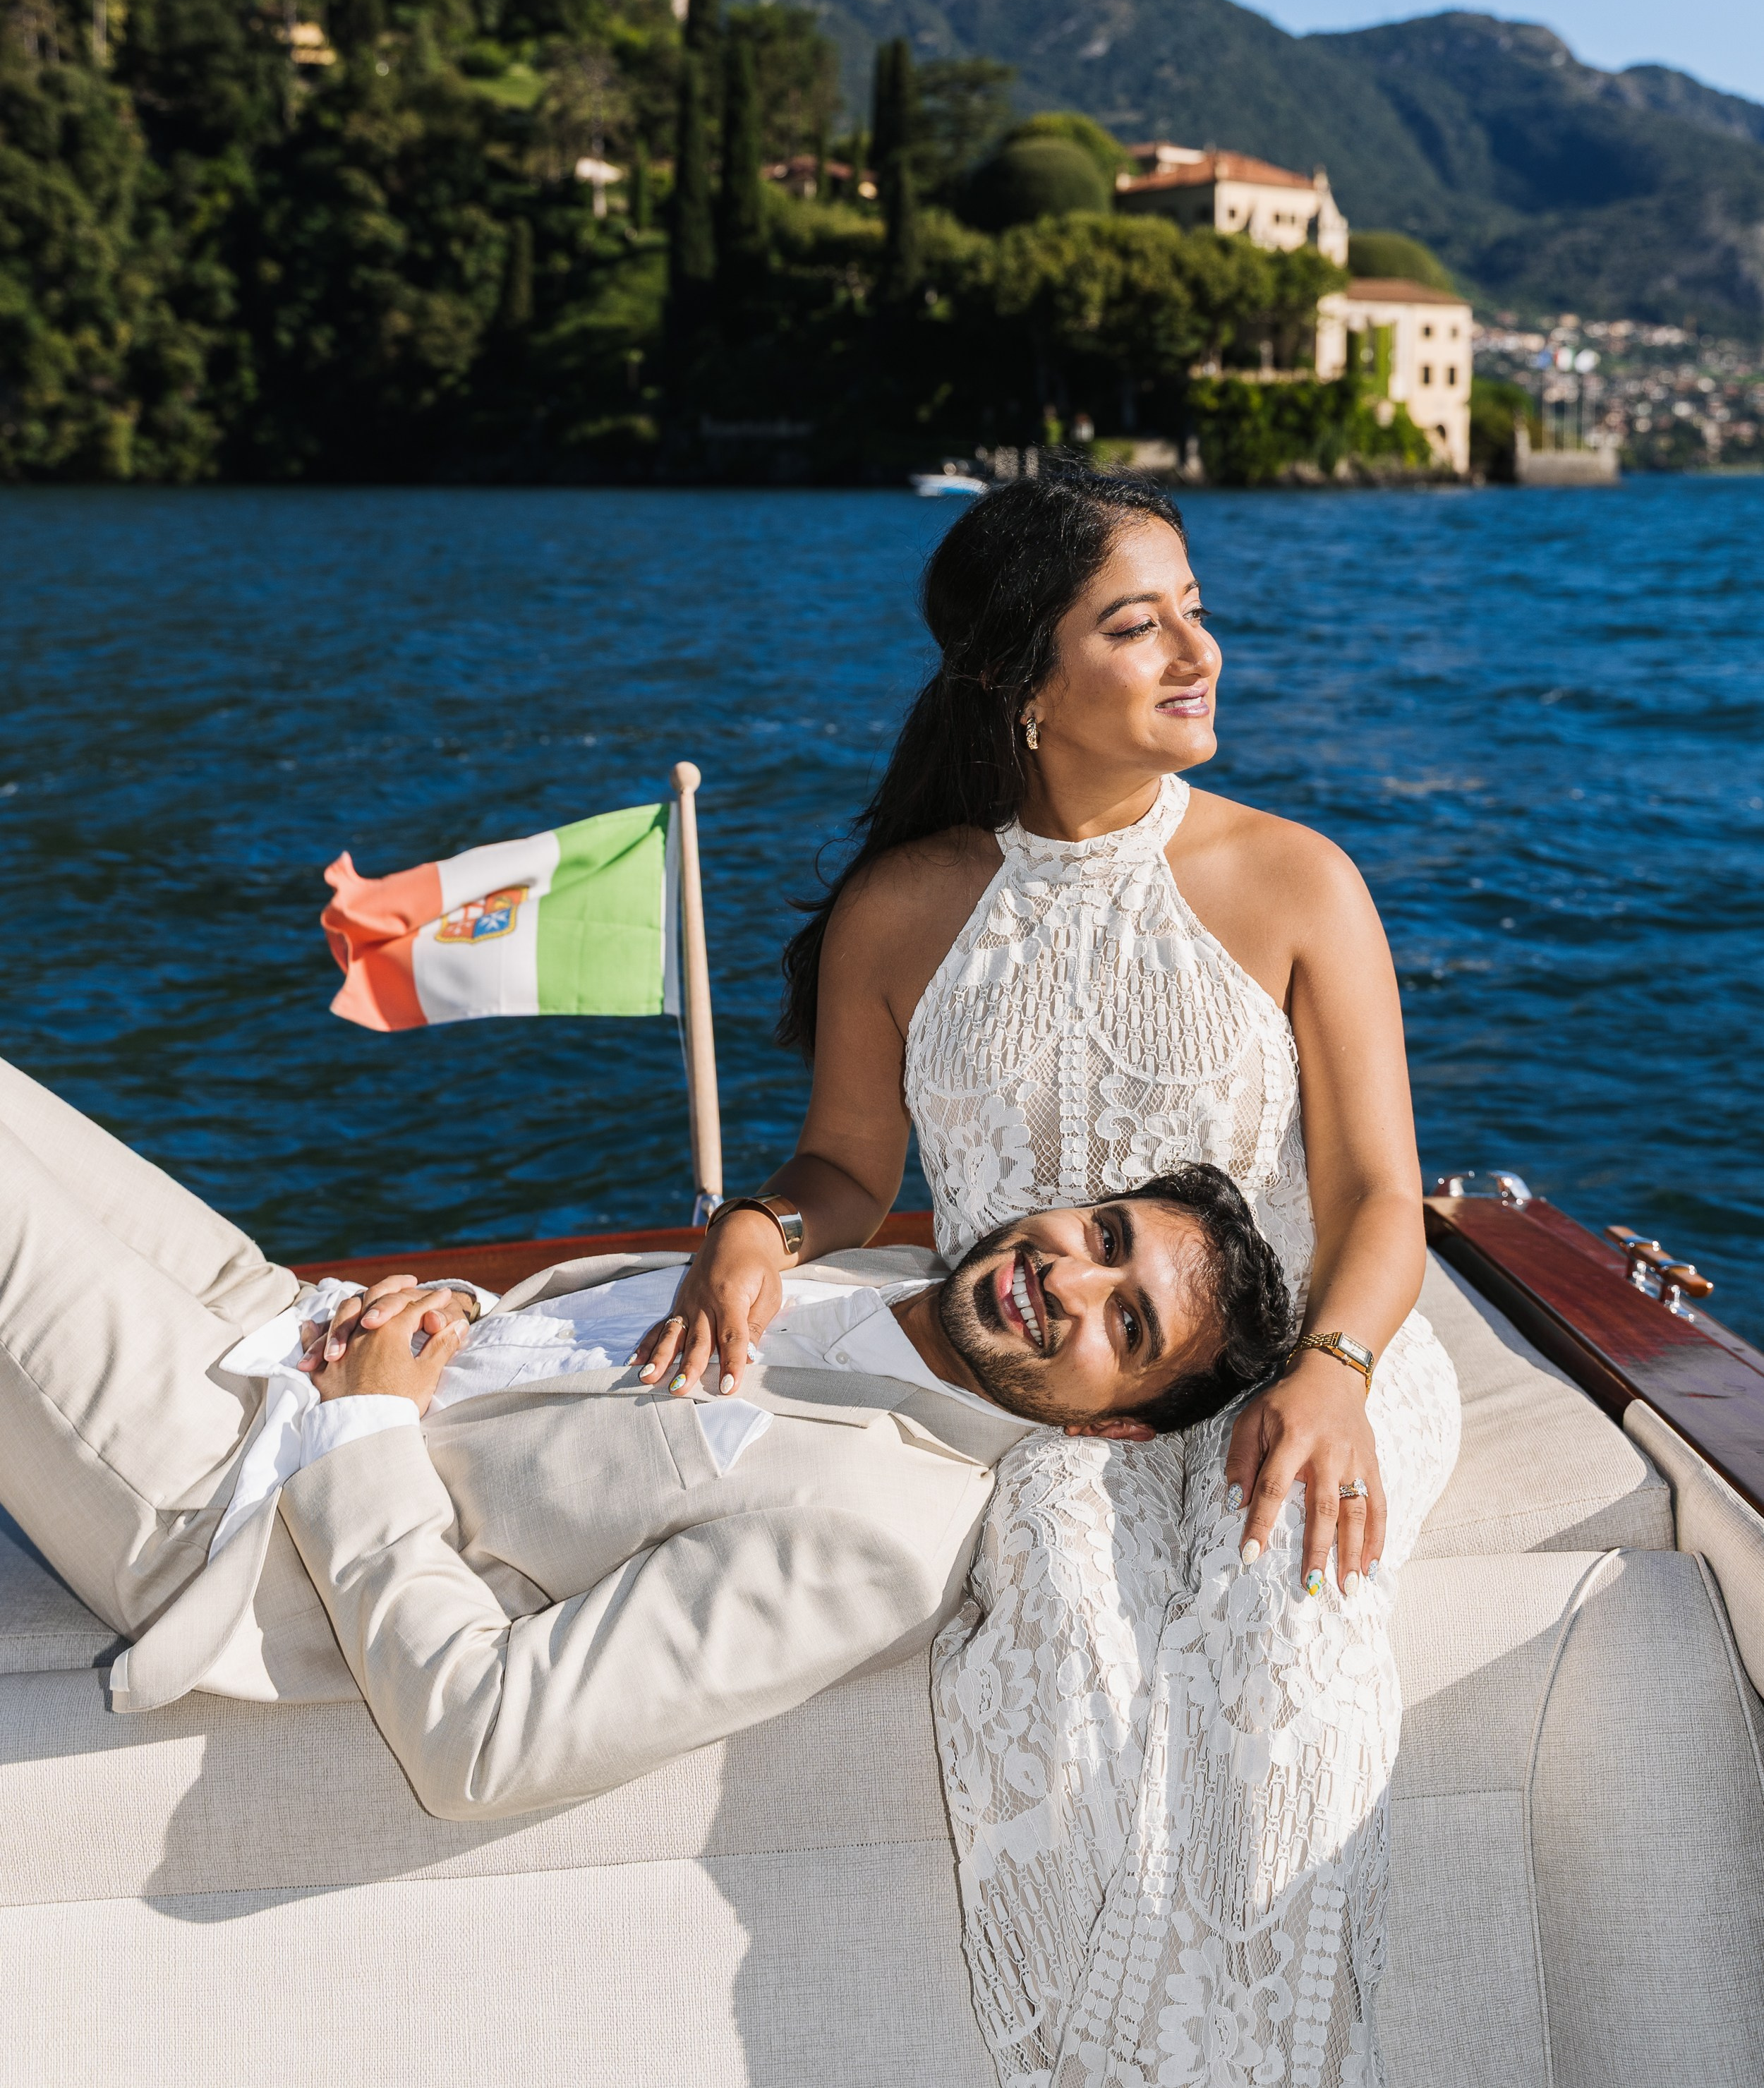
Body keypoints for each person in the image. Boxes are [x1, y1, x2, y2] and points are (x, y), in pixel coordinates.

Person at [638, 462, 1463, 2087]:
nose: (1196, 654)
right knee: (1061, 1622)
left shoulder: (1295, 879)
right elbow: (846, 1176)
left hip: (1308, 1354)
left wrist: (1334, 1373)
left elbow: (1379, 1199)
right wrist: (760, 1224)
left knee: (1282, 1654)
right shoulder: (904, 906)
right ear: (1024, 684)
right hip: (1047, 1387)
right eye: (1135, 625)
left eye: (1194, 614)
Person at [0, 1044, 1289, 1821]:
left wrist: (372, 1427)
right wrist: (450, 1315)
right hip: (289, 1318)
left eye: (1124, 1323)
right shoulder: (869, 1275)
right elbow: (558, 1373)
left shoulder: (885, 1534)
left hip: (232, 1499)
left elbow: (484, 1743)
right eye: (1103, 1236)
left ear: (1121, 1423)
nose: (1066, 1278)